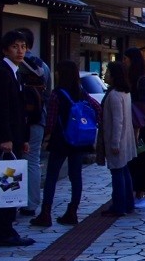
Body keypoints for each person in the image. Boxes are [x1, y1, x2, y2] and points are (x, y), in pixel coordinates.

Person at [0, 31, 35, 247]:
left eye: (23, 46)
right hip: (6, 139)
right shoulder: (2, 73)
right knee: (7, 184)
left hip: (15, 137)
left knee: (2, 184)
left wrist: (24, 138)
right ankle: (2, 230)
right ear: (5, 49)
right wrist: (6, 137)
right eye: (15, 47)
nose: (20, 51)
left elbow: (19, 111)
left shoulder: (15, 73)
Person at [30, 60, 102, 228]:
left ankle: (45, 214)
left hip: (61, 140)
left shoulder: (57, 94)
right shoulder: (81, 91)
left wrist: (46, 137)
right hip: (78, 140)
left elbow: (51, 119)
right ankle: (72, 212)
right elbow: (97, 108)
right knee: (76, 176)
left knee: (52, 177)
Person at [15, 27, 50, 216]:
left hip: (19, 121)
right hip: (37, 118)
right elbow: (47, 95)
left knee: (14, 160)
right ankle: (31, 203)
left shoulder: (16, 66)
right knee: (33, 160)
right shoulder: (42, 66)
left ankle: (13, 201)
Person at [100, 60, 137, 217]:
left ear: (115, 76)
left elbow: (118, 120)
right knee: (124, 171)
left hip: (118, 140)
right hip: (126, 139)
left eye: (108, 72)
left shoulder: (114, 95)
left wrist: (114, 142)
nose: (105, 75)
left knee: (117, 173)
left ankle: (119, 206)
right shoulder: (125, 93)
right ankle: (128, 203)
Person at [124, 48, 145, 210]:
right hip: (134, 125)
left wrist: (137, 129)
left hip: (140, 126)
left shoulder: (141, 80)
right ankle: (138, 193)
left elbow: (142, 106)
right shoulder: (133, 78)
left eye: (127, 59)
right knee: (135, 160)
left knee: (143, 158)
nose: (125, 62)